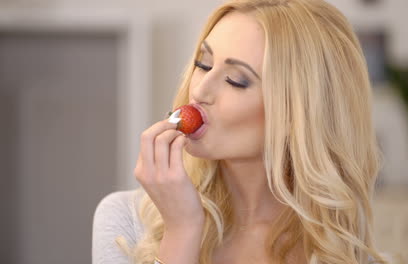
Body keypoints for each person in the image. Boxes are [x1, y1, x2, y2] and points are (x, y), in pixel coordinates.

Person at [92, 0, 389, 263]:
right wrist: (182, 230)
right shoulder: (125, 222)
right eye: (203, 64)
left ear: (296, 115)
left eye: (236, 80)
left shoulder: (342, 253)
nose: (200, 89)